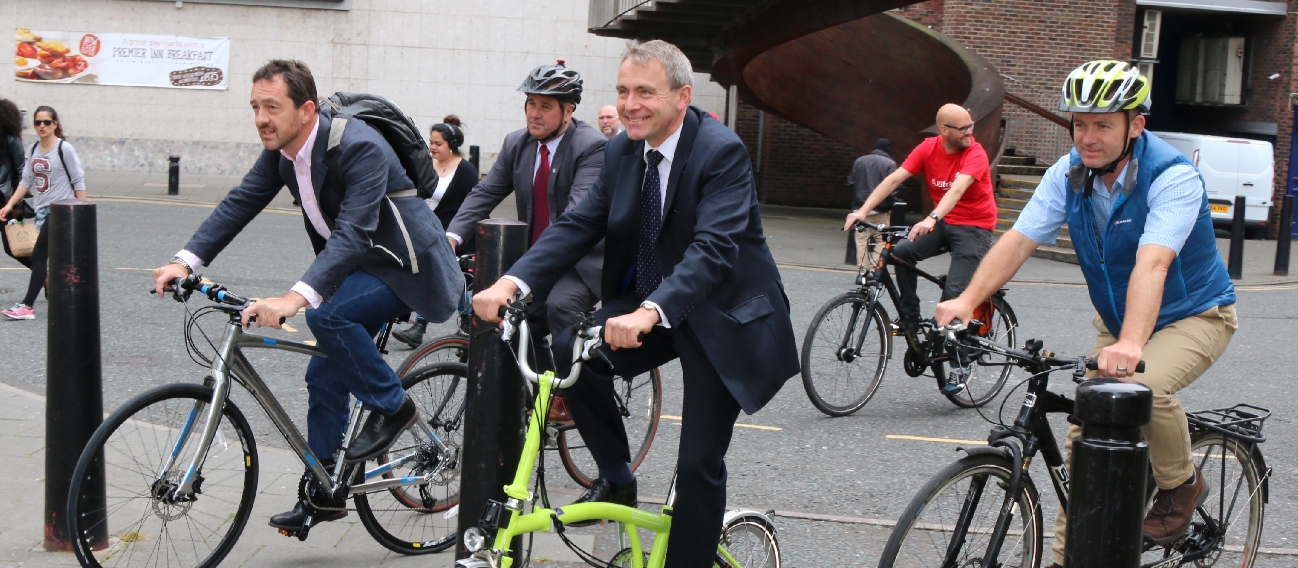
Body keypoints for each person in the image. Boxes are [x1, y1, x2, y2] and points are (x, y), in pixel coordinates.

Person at [473, 40, 798, 567]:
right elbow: (580, 224)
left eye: (645, 92)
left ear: (682, 96)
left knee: (697, 464)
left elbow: (712, 250)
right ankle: (618, 479)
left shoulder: (721, 152)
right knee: (568, 350)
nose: (630, 105)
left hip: (719, 318)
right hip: (650, 309)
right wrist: (513, 282)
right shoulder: (624, 150)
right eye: (623, 91)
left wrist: (650, 311)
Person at [933, 61, 1236, 567]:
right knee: (1083, 443)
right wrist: (967, 300)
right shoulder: (1068, 174)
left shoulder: (1173, 178)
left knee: (1145, 387)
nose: (1087, 137)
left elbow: (1153, 262)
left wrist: (1133, 345)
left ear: (1135, 126)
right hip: (1118, 324)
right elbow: (1018, 240)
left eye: (1103, 124)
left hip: (1195, 315)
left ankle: (1183, 485)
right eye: (1079, 123)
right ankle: (1065, 560)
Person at [150, 60, 462, 533]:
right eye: (255, 107)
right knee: (324, 374)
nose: (261, 118)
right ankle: (325, 494)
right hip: (361, 265)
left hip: (408, 268)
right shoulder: (283, 153)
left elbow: (353, 233)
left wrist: (294, 299)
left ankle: (394, 407)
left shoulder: (360, 146)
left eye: (272, 107)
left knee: (330, 319)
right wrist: (186, 260)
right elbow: (241, 202)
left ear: (306, 109)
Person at [445, 60, 606, 377]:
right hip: (534, 260)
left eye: (546, 106)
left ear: (569, 110)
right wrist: (451, 237)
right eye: (531, 103)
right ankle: (540, 393)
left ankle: (578, 393)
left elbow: (574, 220)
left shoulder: (592, 147)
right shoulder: (516, 143)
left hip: (579, 262)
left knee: (559, 305)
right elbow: (486, 192)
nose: (535, 112)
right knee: (508, 319)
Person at [843, 103, 996, 394]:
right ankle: (911, 317)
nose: (969, 133)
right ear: (944, 130)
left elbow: (958, 189)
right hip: (945, 222)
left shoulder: (975, 153)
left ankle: (960, 364)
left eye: (970, 126)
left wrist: (931, 218)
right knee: (900, 253)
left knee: (952, 296)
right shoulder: (928, 148)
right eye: (963, 128)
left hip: (974, 227)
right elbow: (893, 179)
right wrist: (862, 211)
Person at [392, 115, 479, 347]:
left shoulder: (465, 170)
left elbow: (474, 206)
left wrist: (473, 237)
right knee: (443, 278)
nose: (432, 147)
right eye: (430, 142)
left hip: (453, 235)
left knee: (440, 277)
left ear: (451, 145)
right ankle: (468, 316)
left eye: (438, 143)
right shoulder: (426, 165)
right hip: (426, 231)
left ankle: (420, 327)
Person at [0, 106, 86, 320]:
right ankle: (68, 293)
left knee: (39, 255)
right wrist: (9, 205)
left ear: (55, 124)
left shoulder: (64, 149)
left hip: (60, 209)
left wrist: (82, 211)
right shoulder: (33, 149)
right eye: (38, 122)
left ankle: (27, 306)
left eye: (46, 122)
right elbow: (26, 180)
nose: (42, 126)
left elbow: (77, 180)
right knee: (57, 257)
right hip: (41, 211)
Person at [846, 137, 897, 268]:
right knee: (881, 240)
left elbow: (850, 182)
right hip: (881, 208)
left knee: (862, 240)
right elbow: (892, 188)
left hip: (859, 208)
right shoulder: (890, 164)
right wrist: (890, 207)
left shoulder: (859, 161)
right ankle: (874, 269)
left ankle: (862, 270)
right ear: (888, 149)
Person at [0, 99, 30, 267]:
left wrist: (18, 204)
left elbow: (22, 171)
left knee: (13, 247)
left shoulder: (11, 140)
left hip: (5, 201)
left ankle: (45, 277)